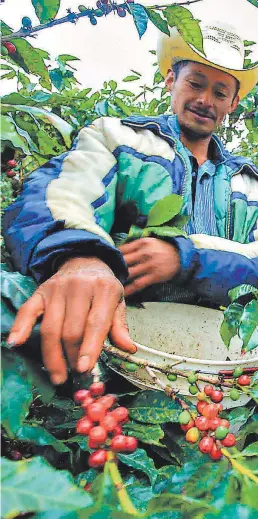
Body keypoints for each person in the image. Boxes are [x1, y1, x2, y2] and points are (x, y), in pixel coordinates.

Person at [4, 21, 258, 386]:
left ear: (233, 103)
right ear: (171, 79)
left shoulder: (249, 183)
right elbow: (63, 193)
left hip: (221, 368)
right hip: (116, 350)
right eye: (195, 83)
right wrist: (79, 256)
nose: (205, 100)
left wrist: (185, 258)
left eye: (220, 93)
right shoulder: (118, 137)